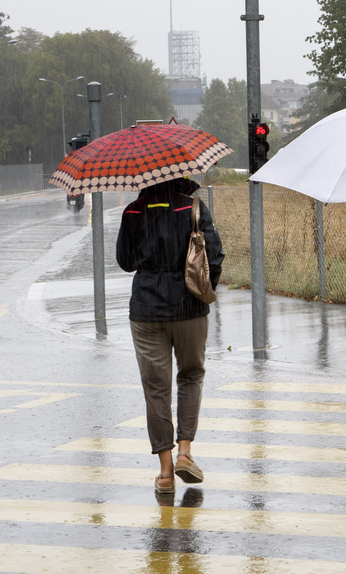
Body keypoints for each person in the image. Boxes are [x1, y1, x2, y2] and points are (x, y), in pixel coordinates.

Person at [116, 177, 224, 495]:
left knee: (156, 388)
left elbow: (125, 262)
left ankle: (164, 473)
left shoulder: (133, 211)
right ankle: (185, 452)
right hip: (188, 307)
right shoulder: (192, 208)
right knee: (190, 376)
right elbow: (214, 257)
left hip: (146, 309)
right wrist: (204, 290)